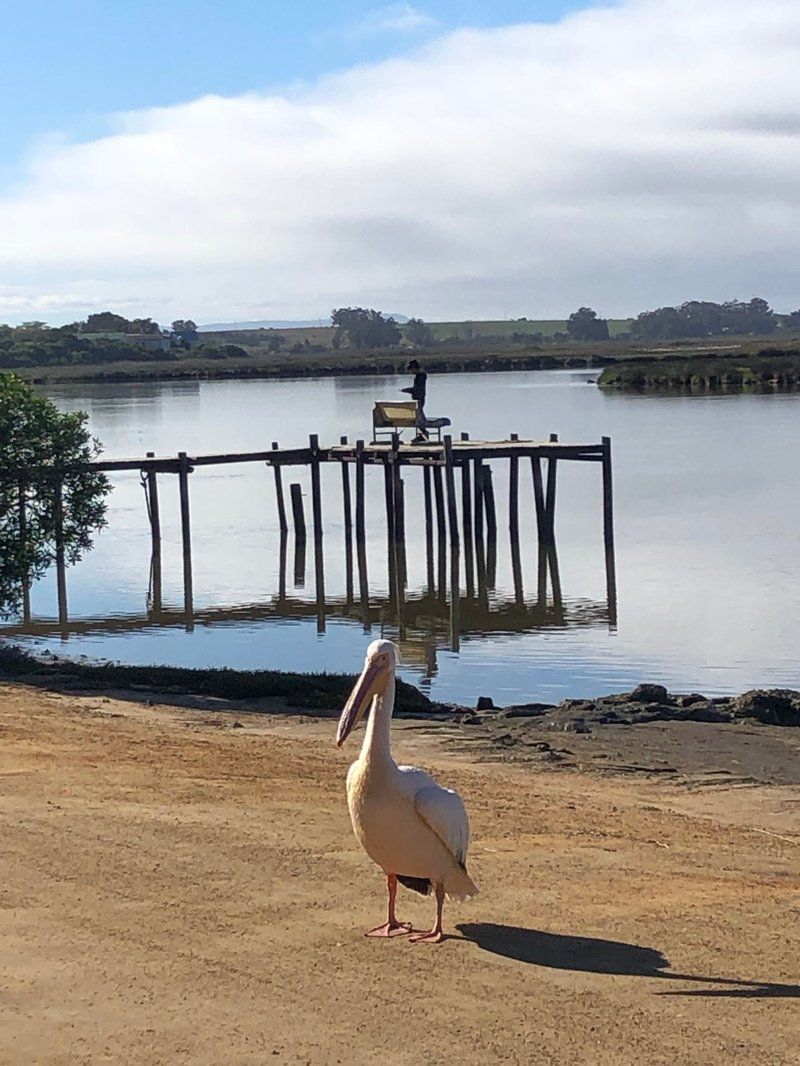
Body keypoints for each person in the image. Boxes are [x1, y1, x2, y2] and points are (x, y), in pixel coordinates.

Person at [401, 359, 428, 441]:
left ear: (415, 368)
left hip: (419, 400)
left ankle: (423, 434)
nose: (411, 372)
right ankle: (422, 435)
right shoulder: (420, 376)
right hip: (418, 399)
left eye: (411, 370)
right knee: (418, 417)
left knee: (418, 418)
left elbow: (417, 390)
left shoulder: (421, 376)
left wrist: (408, 390)